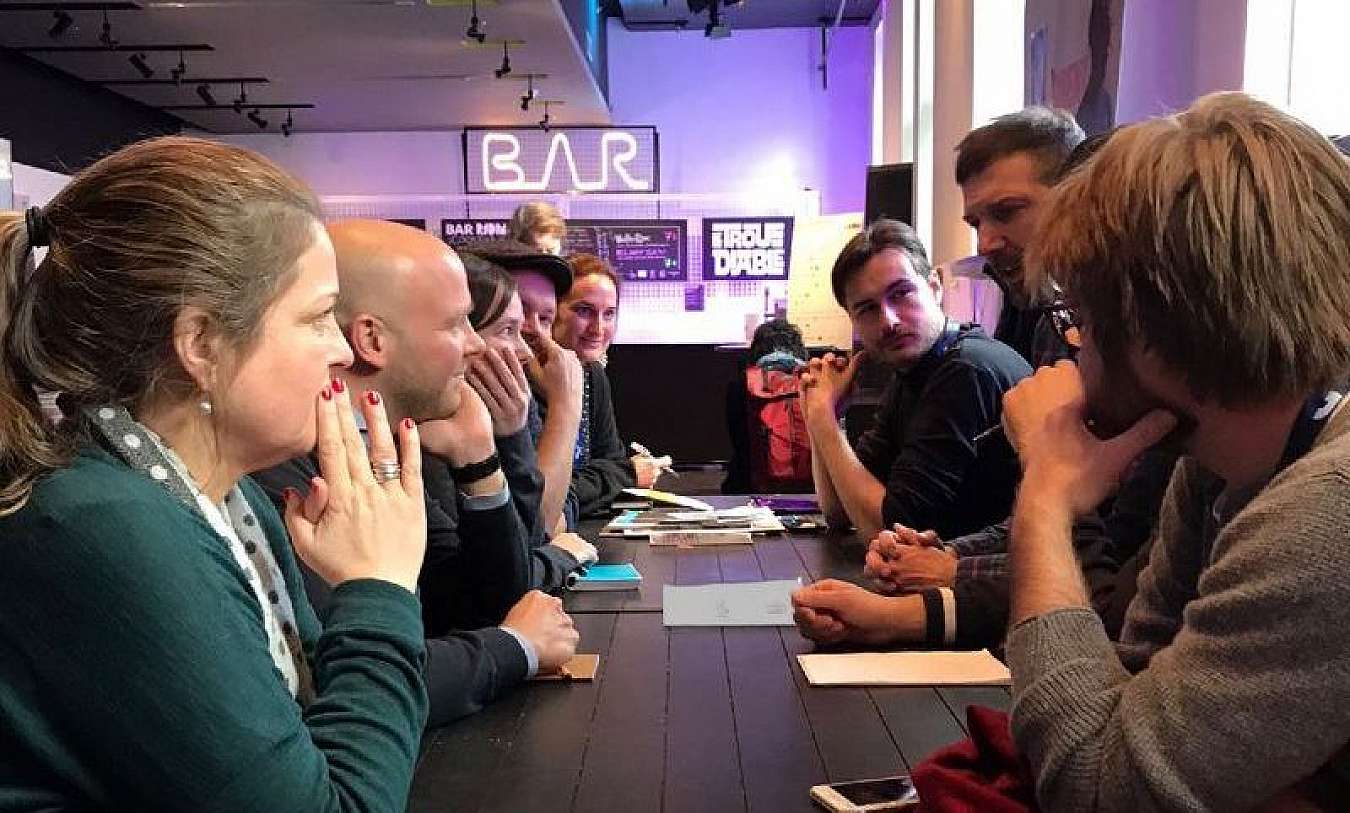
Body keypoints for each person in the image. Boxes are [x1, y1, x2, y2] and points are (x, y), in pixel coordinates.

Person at [0, 137, 428, 808]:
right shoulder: (105, 524)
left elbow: (313, 742)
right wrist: (379, 587)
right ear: (201, 343)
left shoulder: (233, 502)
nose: (342, 351)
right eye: (318, 317)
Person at [1003, 92, 1350, 811]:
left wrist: (1042, 503)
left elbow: (1095, 786)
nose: (1074, 348)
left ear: (1149, 327)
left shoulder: (1327, 515)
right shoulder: (1212, 469)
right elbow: (1131, 693)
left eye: (1079, 318)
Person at [801, 118, 1174, 652]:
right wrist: (955, 557)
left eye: (1007, 212)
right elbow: (1054, 530)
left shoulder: (971, 367)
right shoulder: (1032, 334)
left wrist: (942, 581)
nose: (986, 242)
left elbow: (1105, 593)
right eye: (976, 221)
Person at [254, 220, 581, 727]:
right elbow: (354, 681)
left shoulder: (387, 445)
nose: (476, 346)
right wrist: (513, 647)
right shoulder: (286, 471)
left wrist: (480, 464)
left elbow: (474, 602)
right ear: (371, 338)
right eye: (456, 324)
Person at [801, 218, 1031, 543]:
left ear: (935, 286)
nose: (889, 320)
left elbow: (890, 531)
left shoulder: (966, 370)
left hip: (1005, 570)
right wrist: (822, 413)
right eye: (867, 309)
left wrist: (823, 418)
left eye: (901, 293)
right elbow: (840, 509)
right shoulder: (914, 371)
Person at [468, 240, 660, 525]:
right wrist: (566, 405)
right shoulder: (507, 388)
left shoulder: (589, 374)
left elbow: (605, 467)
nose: (598, 328)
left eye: (609, 314)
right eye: (583, 310)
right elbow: (542, 513)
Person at [462, 250, 597, 581]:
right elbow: (540, 528)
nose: (531, 334)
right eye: (513, 323)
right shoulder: (433, 424)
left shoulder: (519, 397)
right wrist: (566, 405)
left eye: (546, 318)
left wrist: (548, 521)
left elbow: (559, 506)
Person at [723, 318, 813, 495]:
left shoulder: (741, 384)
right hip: (814, 487)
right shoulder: (813, 381)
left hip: (751, 486)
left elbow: (738, 440)